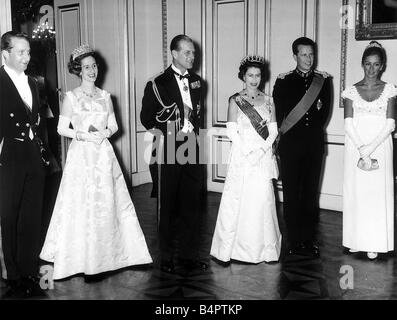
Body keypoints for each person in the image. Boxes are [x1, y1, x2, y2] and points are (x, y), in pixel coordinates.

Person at [39, 44, 152, 280]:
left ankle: (112, 255)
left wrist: (106, 133)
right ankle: (82, 258)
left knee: (108, 202)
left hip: (103, 154)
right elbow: (61, 128)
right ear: (78, 70)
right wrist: (81, 135)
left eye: (93, 66)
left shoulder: (105, 96)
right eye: (86, 67)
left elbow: (114, 125)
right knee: (83, 202)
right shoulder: (71, 97)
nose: (91, 70)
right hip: (82, 156)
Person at [140, 34, 207, 273]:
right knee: (167, 205)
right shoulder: (157, 82)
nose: (192, 56)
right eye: (187, 52)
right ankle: (166, 257)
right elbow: (146, 118)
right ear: (175, 54)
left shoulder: (199, 82)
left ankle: (188, 256)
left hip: (192, 145)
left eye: (193, 52)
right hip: (167, 146)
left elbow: (198, 116)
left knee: (192, 204)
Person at [210, 55, 281, 264]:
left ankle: (265, 250)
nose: (254, 79)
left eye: (258, 75)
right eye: (250, 75)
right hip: (242, 157)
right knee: (237, 201)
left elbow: (274, 131)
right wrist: (247, 153)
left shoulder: (268, 100)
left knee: (262, 201)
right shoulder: (235, 100)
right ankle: (231, 250)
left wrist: (260, 151)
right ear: (243, 76)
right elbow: (232, 132)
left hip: (261, 156)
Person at [273, 37, 331, 257]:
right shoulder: (284, 81)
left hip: (314, 146)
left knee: (309, 195)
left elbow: (323, 115)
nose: (309, 59)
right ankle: (294, 240)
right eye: (304, 54)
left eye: (311, 54)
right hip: (290, 147)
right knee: (291, 194)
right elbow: (279, 117)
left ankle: (308, 240)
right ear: (295, 56)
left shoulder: (323, 81)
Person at [0, 31, 47, 298]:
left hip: (32, 154)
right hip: (9, 155)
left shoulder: (33, 82)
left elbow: (37, 119)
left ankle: (29, 270)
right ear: (5, 54)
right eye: (21, 52)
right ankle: (13, 275)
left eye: (28, 52)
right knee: (9, 216)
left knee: (31, 215)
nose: (27, 57)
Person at [342, 41, 395, 260]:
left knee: (376, 194)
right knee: (357, 193)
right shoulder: (351, 91)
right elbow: (347, 124)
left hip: (380, 147)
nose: (371, 69)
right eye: (367, 64)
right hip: (356, 147)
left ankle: (374, 241)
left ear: (382, 66)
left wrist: (371, 149)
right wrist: (362, 151)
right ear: (362, 64)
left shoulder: (390, 90)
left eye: (376, 65)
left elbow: (391, 124)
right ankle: (356, 240)